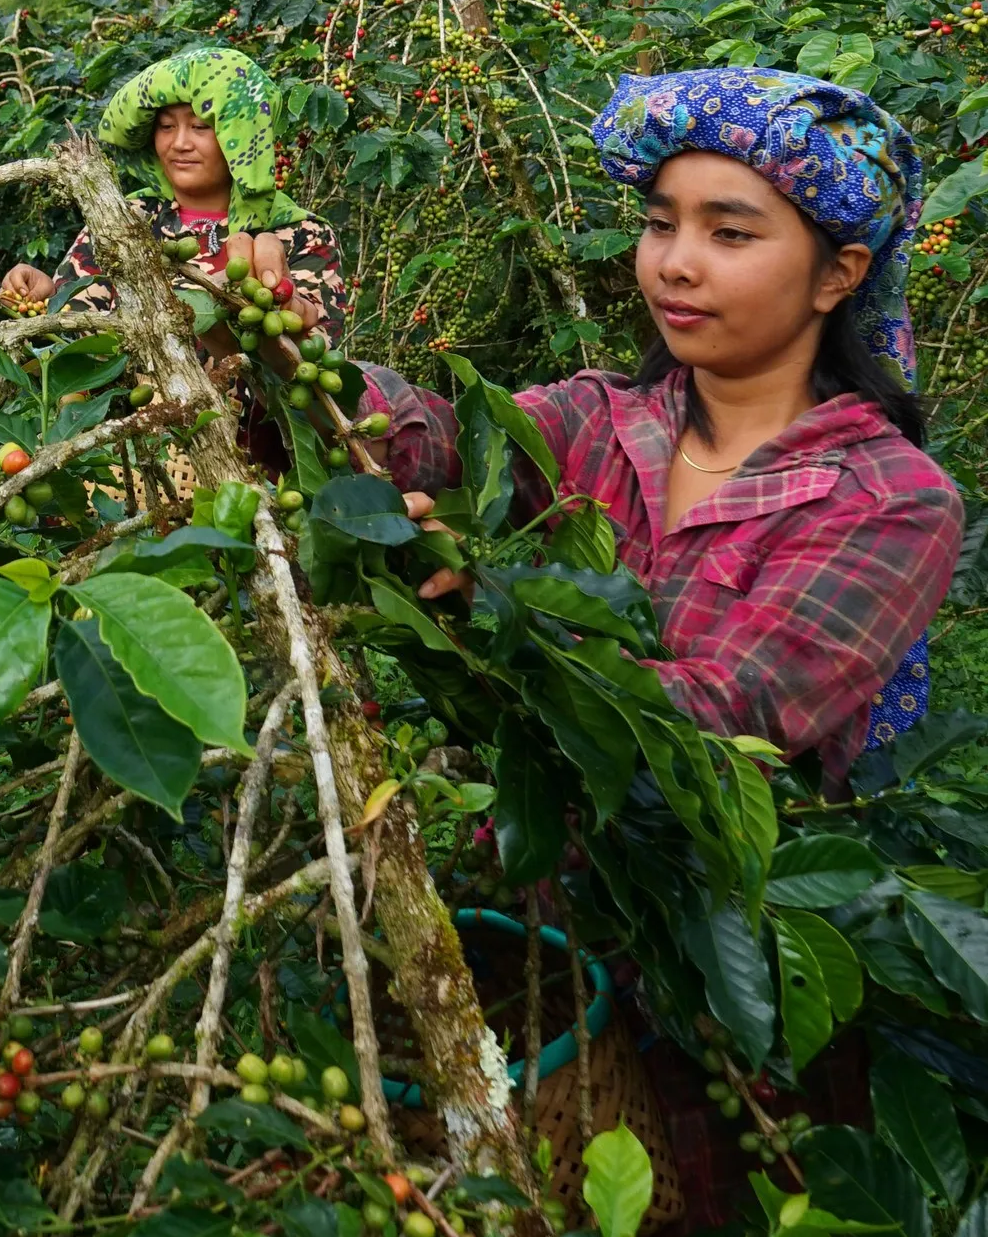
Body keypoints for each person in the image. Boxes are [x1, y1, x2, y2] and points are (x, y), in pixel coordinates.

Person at [367, 67, 961, 787]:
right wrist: (287, 352)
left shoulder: (889, 501)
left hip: (726, 892)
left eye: (731, 233)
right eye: (659, 225)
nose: (674, 265)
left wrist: (501, 606)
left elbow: (727, 714)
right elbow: (432, 435)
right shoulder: (600, 418)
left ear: (839, 275)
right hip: (530, 890)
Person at [1, 46, 350, 355]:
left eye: (200, 127)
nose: (180, 143)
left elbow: (315, 364)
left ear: (240, 137)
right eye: (167, 127)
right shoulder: (126, 220)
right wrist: (48, 299)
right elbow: (78, 340)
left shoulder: (303, 234)